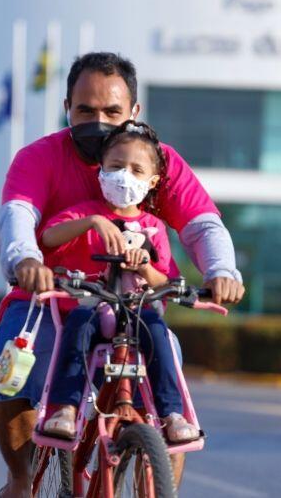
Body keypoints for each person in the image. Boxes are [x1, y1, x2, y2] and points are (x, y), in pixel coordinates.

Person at [0, 52, 244, 498]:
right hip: (51, 302)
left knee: (172, 379)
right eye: (85, 110)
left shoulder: (157, 163)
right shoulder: (40, 157)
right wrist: (25, 261)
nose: (98, 121)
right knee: (9, 374)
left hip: (136, 309)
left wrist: (222, 270)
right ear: (67, 106)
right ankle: (22, 478)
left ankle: (158, 482)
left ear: (134, 113)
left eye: (112, 111)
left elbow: (203, 225)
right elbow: (18, 216)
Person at [40, 120, 200, 443]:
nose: (124, 175)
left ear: (153, 181)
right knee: (80, 324)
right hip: (93, 309)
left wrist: (143, 268)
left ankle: (171, 414)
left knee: (158, 331)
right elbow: (48, 236)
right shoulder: (86, 213)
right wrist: (92, 223)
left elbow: (163, 281)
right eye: (116, 166)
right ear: (101, 169)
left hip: (136, 313)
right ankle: (65, 409)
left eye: (136, 169)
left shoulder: (154, 227)